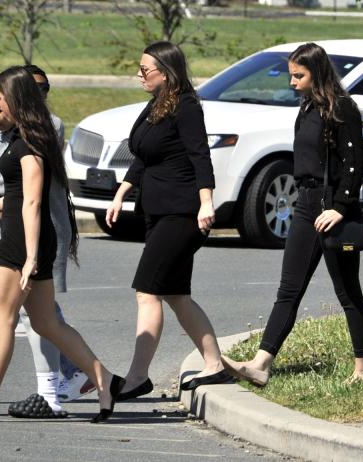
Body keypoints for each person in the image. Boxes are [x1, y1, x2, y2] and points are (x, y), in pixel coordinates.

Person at [0, 66, 123, 423]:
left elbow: (33, 202)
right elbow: (19, 193)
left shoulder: (30, 141)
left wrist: (30, 257)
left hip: (22, 242)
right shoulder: (24, 136)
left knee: (2, 317)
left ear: (15, 100)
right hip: (26, 237)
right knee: (45, 323)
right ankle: (105, 380)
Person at [222, 42, 363, 385]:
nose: (292, 82)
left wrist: (339, 207)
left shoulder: (342, 109)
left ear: (316, 73)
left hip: (333, 206)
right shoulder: (306, 107)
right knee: (289, 288)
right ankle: (261, 363)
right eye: (291, 75)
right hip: (304, 204)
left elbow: (355, 164)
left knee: (347, 291)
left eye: (299, 75)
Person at [106, 41, 233, 400]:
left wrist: (206, 201)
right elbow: (144, 155)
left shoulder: (187, 106)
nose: (139, 74)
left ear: (167, 70)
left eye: (145, 69)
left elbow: (200, 155)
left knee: (148, 292)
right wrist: (122, 192)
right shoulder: (157, 104)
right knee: (176, 294)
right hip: (157, 212)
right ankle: (214, 365)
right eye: (140, 68)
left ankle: (136, 377)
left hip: (183, 213)